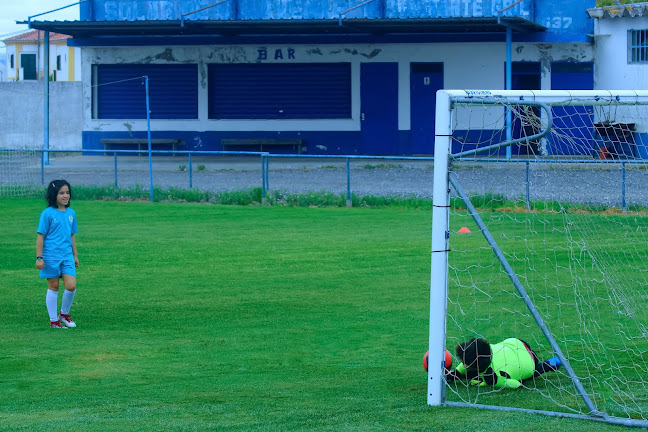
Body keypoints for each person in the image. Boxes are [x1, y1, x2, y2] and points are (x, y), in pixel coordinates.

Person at [35, 179, 79, 329]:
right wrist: (39, 258)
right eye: (61, 193)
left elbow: (72, 236)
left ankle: (63, 314)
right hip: (50, 256)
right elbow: (40, 237)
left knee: (71, 286)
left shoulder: (71, 213)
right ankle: (54, 321)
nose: (65, 196)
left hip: (67, 256)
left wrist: (75, 255)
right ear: (54, 195)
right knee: (54, 286)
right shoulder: (47, 214)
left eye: (67, 193)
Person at [445, 337, 562, 388]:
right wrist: (450, 376)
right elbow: (463, 368)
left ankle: (547, 365)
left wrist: (488, 382)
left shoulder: (494, 378)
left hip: (529, 360)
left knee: (524, 376)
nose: (460, 362)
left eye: (463, 361)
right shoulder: (482, 350)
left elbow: (516, 384)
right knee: (473, 373)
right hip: (516, 343)